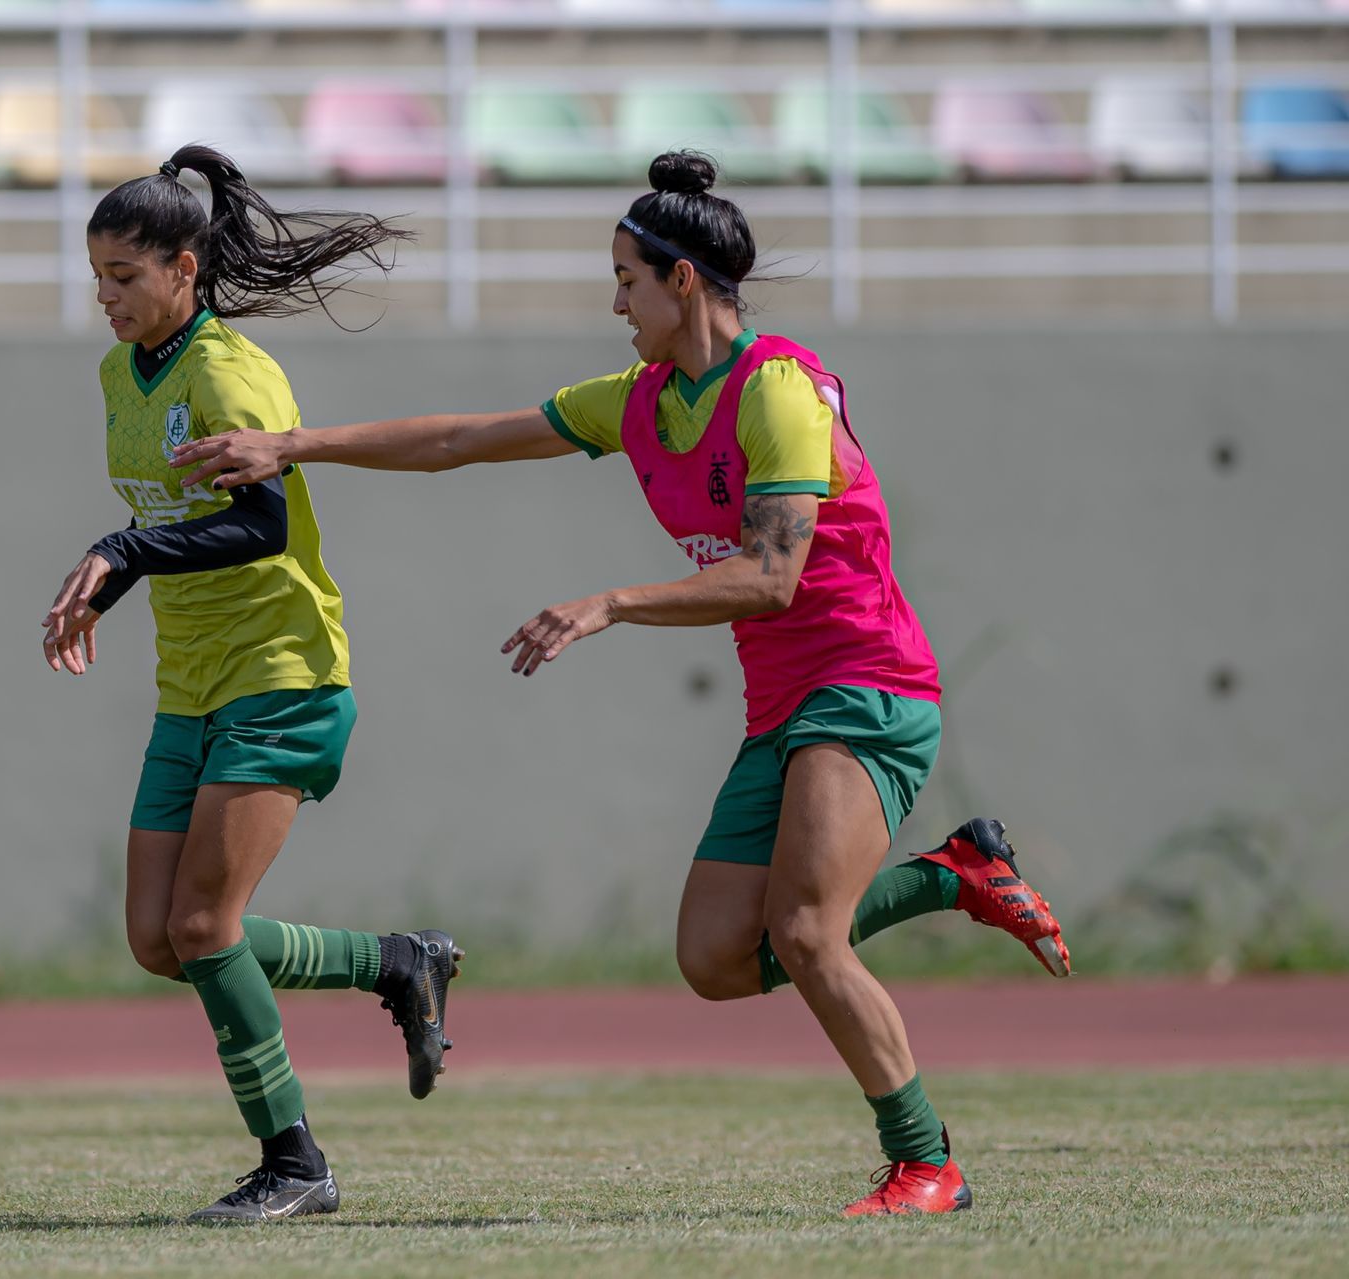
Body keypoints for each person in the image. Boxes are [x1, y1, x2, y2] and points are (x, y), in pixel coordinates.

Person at [171, 149, 1071, 1217]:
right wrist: (292, 443)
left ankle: (928, 1163)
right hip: (783, 706)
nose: (615, 302)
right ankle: (954, 873)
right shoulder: (639, 401)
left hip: (869, 685)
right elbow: (463, 438)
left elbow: (775, 576)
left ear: (683, 280)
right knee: (716, 959)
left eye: (627, 280)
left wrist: (608, 602)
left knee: (809, 936)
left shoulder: (776, 388)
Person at [42, 143, 462, 1224]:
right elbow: (169, 521)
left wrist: (126, 554)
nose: (107, 299)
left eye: (125, 279)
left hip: (282, 676)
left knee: (202, 924)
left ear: (185, 270)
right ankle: (394, 960)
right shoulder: (113, 376)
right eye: (97, 279)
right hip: (189, 684)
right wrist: (111, 576)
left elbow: (259, 524)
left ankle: (296, 1164)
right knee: (160, 935)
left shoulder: (229, 372)